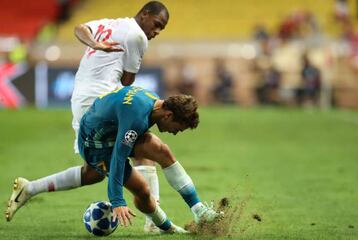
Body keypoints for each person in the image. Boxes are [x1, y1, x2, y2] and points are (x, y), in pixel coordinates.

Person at [5, 86, 223, 232]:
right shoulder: (136, 119)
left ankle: (199, 211)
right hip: (97, 145)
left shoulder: (151, 102)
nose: (176, 132)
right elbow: (119, 157)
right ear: (168, 115)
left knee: (160, 151)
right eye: (179, 128)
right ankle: (165, 227)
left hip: (109, 131)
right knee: (142, 191)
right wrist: (117, 200)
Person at [71, 1, 168, 232]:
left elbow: (79, 28)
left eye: (161, 29)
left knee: (94, 171)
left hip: (80, 100)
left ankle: (31, 189)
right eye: (156, 25)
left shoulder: (110, 24)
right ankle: (154, 220)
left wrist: (95, 44)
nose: (155, 32)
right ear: (145, 14)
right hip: (103, 101)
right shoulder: (137, 36)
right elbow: (127, 81)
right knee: (147, 147)